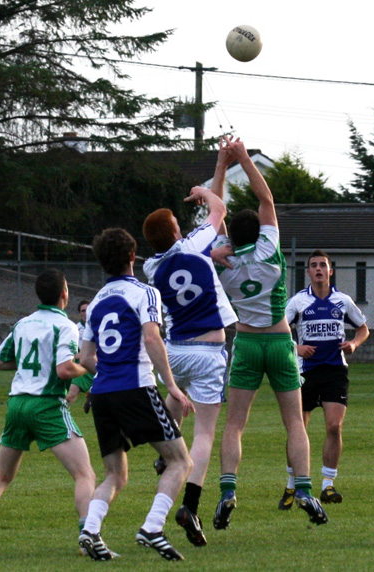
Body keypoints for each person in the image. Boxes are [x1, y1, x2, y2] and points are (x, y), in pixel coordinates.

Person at [209, 135, 328, 528]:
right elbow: (267, 202)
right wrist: (244, 157)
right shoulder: (269, 252)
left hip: (244, 342)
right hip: (279, 341)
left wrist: (222, 166)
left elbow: (216, 213)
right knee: (294, 422)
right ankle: (307, 490)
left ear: (231, 237)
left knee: (235, 424)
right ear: (258, 232)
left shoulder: (223, 261)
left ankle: (228, 490)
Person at [0, 269, 96, 555]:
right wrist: (89, 366)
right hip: (45, 405)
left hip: (17, 405)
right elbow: (65, 369)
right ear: (64, 294)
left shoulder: (23, 324)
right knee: (85, 475)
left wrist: (27, 366)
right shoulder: (67, 326)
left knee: (1, 477)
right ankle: (88, 540)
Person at [78, 227, 194, 562]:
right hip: (136, 387)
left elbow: (85, 358)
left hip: (101, 394)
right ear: (132, 256)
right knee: (179, 460)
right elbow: (152, 338)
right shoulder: (146, 293)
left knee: (115, 473)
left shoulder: (96, 301)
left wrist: (107, 374)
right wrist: (172, 386)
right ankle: (153, 527)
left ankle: (90, 531)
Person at [142, 185, 237, 546]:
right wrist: (203, 192)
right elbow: (219, 209)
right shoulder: (192, 246)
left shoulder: (152, 267)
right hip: (208, 351)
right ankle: (190, 505)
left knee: (173, 404)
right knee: (206, 433)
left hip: (174, 348)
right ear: (178, 232)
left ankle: (165, 453)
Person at [279, 249, 369, 508]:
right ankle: (291, 485)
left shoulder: (342, 300)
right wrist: (296, 348)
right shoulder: (297, 302)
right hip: (305, 372)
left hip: (334, 371)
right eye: (314, 265)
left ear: (331, 271)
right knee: (299, 429)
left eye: (323, 265)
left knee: (334, 427)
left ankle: (328, 486)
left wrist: (354, 343)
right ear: (308, 272)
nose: (318, 269)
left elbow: (363, 328)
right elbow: (281, 331)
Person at [66, 299, 94, 411]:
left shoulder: (99, 326)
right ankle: (59, 417)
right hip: (84, 368)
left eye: (88, 310)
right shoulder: (75, 329)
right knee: (70, 396)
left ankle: (92, 395)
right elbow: (70, 351)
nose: (86, 313)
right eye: (83, 310)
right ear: (79, 313)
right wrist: (77, 355)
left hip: (100, 367)